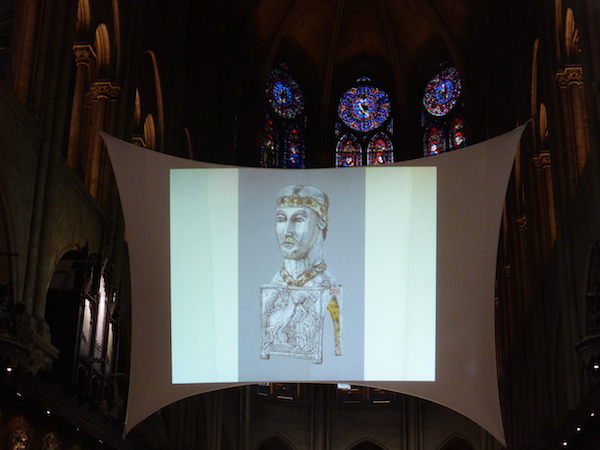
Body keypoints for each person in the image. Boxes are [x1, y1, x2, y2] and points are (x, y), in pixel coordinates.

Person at [260, 185, 342, 364]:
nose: (287, 231)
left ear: (321, 221)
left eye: (298, 219)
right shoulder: (276, 282)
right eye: (281, 219)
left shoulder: (329, 284)